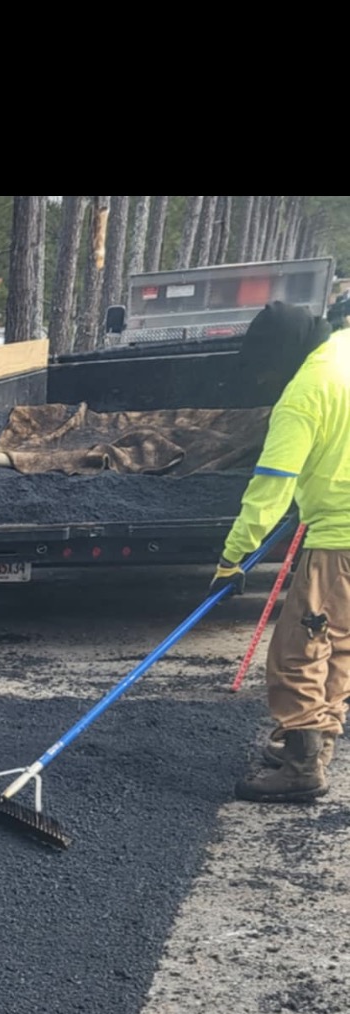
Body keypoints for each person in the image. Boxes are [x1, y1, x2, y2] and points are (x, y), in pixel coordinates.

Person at [215, 301, 350, 802]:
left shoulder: (305, 392)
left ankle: (300, 768)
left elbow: (271, 486)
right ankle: (317, 743)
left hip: (339, 539)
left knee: (298, 652)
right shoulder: (344, 352)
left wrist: (233, 557)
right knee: (338, 643)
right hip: (338, 520)